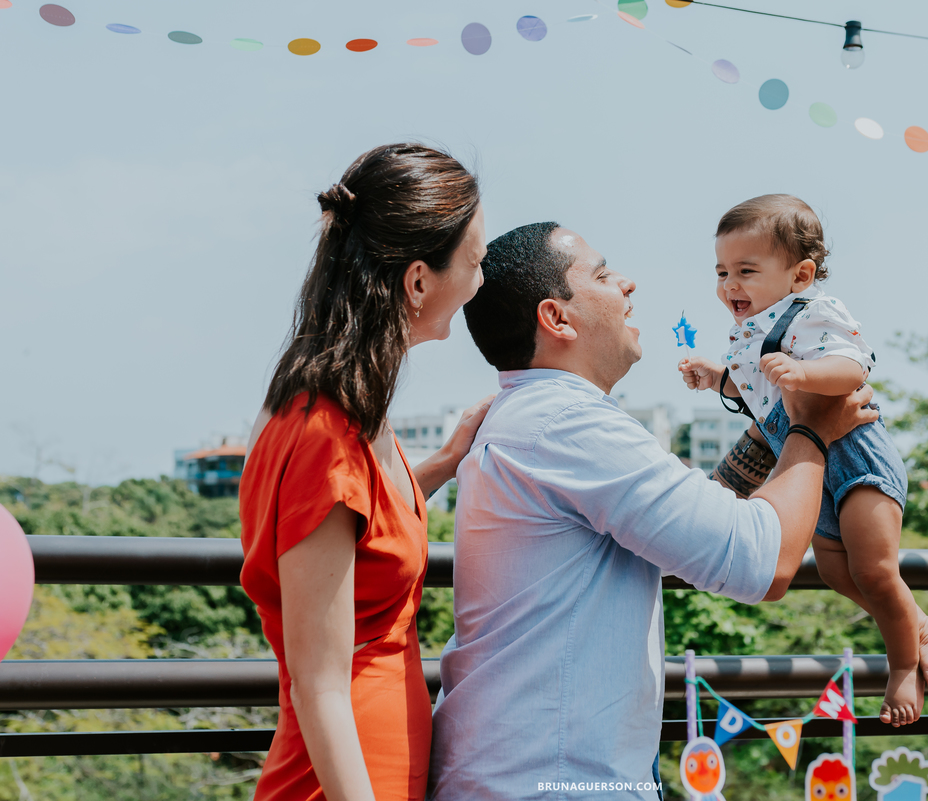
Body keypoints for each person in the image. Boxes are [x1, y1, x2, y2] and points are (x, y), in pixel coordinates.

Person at [427, 222, 878, 800]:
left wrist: (773, 431)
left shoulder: (533, 417)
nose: (628, 283)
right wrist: (812, 425)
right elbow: (763, 560)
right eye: (601, 273)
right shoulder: (570, 424)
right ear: (556, 318)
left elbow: (690, 525)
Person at [238, 143, 494, 801]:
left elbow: (363, 526)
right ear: (417, 281)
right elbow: (319, 683)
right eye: (475, 262)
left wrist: (444, 462)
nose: (481, 282)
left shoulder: (349, 409)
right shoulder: (322, 428)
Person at [677, 194, 928, 726]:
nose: (730, 285)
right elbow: (758, 389)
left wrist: (806, 376)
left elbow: (853, 369)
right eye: (721, 272)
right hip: (810, 471)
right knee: (835, 571)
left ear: (801, 274)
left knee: (874, 571)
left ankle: (901, 665)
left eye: (746, 271)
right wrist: (716, 377)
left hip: (855, 460)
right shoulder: (749, 332)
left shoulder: (813, 313)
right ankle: (923, 623)